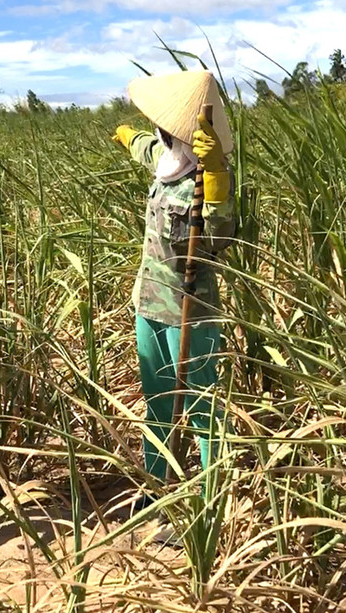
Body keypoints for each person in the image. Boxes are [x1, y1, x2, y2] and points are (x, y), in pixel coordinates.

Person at [112, 71, 236, 493]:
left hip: (191, 313)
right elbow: (149, 152)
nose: (157, 134)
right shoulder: (168, 162)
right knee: (157, 403)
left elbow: (220, 238)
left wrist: (216, 174)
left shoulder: (207, 175)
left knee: (204, 410)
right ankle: (157, 485)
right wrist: (127, 137)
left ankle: (211, 498)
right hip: (148, 304)